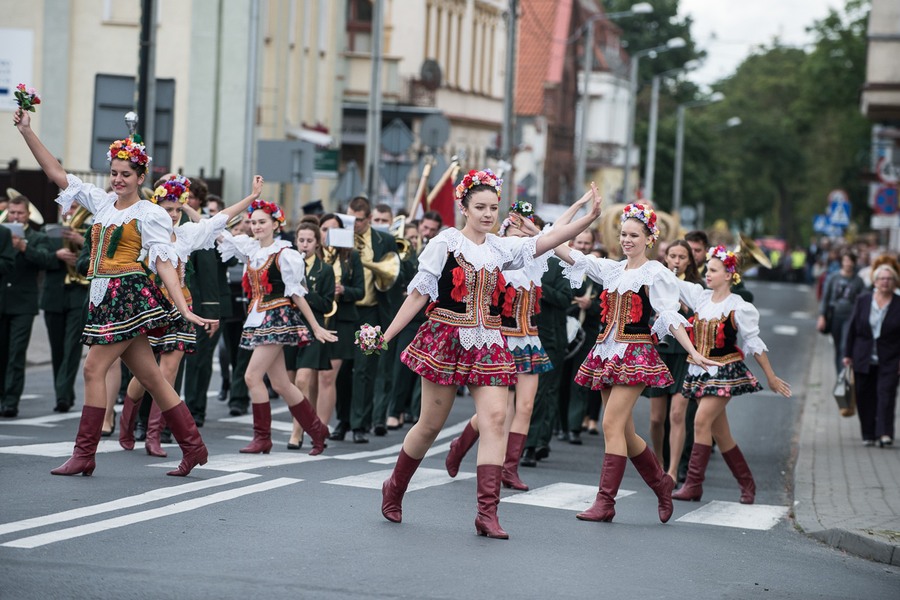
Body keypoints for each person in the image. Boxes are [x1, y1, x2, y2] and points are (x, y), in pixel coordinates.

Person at [379, 169, 601, 539]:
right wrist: (386, 336)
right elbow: (418, 295)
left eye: (493, 207)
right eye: (479, 206)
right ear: (463, 207)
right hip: (446, 337)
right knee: (430, 425)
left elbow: (546, 240)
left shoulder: (501, 248)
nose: (487, 214)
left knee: (497, 418)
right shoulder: (445, 243)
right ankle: (395, 487)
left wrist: (589, 218)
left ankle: (487, 513)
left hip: (489, 341)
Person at [14, 106, 215, 477]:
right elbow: (56, 173)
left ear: (141, 177)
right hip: (102, 294)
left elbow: (165, 263)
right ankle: (194, 447)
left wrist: (183, 309)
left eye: (126, 174)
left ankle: (84, 453)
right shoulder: (103, 203)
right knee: (152, 377)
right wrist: (27, 131)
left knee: (93, 368)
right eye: (114, 173)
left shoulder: (149, 213)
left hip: (128, 294)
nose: (118, 180)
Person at [551, 200, 717, 524]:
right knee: (625, 434)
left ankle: (605, 502)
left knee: (610, 424)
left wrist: (692, 350)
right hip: (605, 353)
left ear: (648, 239)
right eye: (624, 234)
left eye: (634, 235)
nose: (627, 240)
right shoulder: (611, 268)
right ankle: (662, 485)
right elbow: (558, 242)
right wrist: (583, 211)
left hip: (636, 353)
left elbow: (670, 315)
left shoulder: (656, 272)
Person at [118, 174, 264, 454]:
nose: (173, 215)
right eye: (167, 209)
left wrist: (252, 198)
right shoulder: (143, 232)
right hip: (150, 308)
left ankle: (154, 436)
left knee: (168, 371)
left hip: (182, 307)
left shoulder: (186, 235)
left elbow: (219, 218)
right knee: (146, 375)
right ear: (155, 207)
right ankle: (127, 423)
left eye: (177, 209)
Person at [443, 202, 552, 491]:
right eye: (515, 227)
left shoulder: (535, 267)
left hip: (529, 340)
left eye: (525, 230)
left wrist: (581, 207)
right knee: (497, 409)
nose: (520, 235)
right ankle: (460, 444)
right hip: (499, 338)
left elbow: (555, 236)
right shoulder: (498, 261)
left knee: (526, 406)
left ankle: (509, 469)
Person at [217, 199, 336, 456]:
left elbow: (297, 294)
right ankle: (317, 430)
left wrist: (315, 327)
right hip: (259, 317)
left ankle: (263, 438)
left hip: (277, 319)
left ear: (275, 224)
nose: (257, 226)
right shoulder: (250, 249)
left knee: (252, 376)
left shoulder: (285, 254)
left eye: (262, 222)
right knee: (281, 384)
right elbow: (215, 231)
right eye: (254, 222)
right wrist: (189, 209)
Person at [673, 246, 791, 503]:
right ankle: (747, 484)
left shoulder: (739, 307)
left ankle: (693, 484)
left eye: (713, 270)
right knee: (721, 434)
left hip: (724, 370)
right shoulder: (700, 297)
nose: (707, 274)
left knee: (701, 422)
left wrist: (770, 376)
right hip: (700, 369)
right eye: (707, 270)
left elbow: (754, 343)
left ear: (728, 275)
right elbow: (670, 282)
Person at [643, 239, 701, 480]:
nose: (676, 261)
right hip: (661, 352)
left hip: (684, 355)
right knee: (657, 418)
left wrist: (683, 306)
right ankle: (658, 460)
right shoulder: (657, 280)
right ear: (665, 258)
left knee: (677, 415)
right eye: (672, 256)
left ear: (690, 261)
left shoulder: (696, 286)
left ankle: (673, 470)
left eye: (682, 257)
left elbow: (703, 317)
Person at [344, 197, 401, 443]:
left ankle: (360, 423)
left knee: (365, 370)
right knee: (343, 370)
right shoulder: (341, 236)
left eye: (357, 220)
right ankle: (343, 421)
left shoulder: (384, 240)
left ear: (368, 219)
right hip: (346, 312)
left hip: (372, 313)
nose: (353, 224)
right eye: (350, 219)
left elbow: (395, 273)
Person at [0, 194, 57, 418]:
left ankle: (11, 401)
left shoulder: (37, 236)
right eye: (12, 213)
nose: (15, 217)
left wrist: (24, 247)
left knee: (16, 353)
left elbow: (47, 260)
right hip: (2, 301)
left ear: (27, 215)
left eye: (20, 213)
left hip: (23, 304)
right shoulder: (2, 234)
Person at [286, 220, 335, 449]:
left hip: (313, 329)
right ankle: (312, 425)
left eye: (309, 241)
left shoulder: (324, 270)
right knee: (288, 384)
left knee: (303, 380)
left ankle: (297, 432)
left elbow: (327, 304)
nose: (304, 245)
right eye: (301, 240)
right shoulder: (287, 263)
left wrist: (306, 292)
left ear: (317, 244)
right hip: (288, 328)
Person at [843, 264, 900, 448]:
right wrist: (847, 354)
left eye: (889, 279)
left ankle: (884, 433)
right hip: (862, 356)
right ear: (875, 281)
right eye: (882, 278)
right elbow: (851, 328)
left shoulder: (898, 303)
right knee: (864, 396)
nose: (885, 282)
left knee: (886, 395)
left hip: (890, 359)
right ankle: (868, 433)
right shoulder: (864, 300)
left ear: (894, 282)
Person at [319, 213, 365, 437]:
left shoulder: (351, 256)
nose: (328, 234)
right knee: (314, 376)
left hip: (342, 321)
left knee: (332, 375)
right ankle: (315, 423)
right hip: (319, 320)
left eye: (334, 229)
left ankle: (332, 425)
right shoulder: (316, 255)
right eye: (325, 229)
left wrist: (343, 290)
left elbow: (360, 291)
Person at [42, 201, 90, 415]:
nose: (69, 212)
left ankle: (62, 395)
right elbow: (36, 258)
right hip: (54, 296)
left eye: (74, 208)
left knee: (72, 346)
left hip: (78, 296)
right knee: (57, 349)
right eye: (67, 208)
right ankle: (64, 393)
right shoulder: (49, 233)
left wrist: (81, 241)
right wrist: (57, 256)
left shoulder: (88, 231)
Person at [817, 249, 865, 374]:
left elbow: (863, 300)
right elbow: (825, 297)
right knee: (838, 347)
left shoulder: (858, 281)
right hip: (835, 316)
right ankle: (840, 375)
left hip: (850, 316)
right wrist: (822, 316)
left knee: (845, 346)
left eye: (850, 261)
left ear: (854, 263)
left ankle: (845, 374)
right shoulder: (833, 278)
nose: (848, 263)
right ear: (842, 262)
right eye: (846, 261)